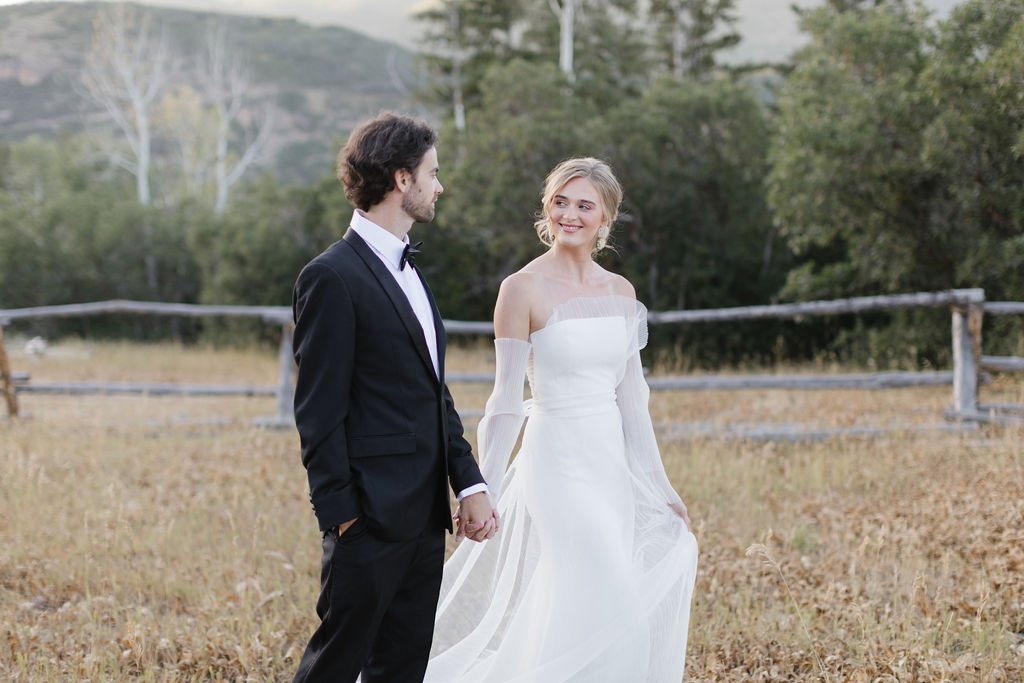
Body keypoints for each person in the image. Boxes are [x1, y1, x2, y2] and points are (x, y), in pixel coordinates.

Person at [425, 157, 699, 682]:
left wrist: (661, 486)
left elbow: (633, 400)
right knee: (617, 602)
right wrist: (485, 487)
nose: (569, 214)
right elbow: (505, 400)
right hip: (557, 462)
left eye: (584, 205)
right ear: (547, 209)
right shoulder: (521, 289)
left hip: (609, 467)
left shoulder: (621, 293)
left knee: (579, 600)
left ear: (605, 218)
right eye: (559, 201)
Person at [290, 112, 498, 683]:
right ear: (402, 180)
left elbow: (435, 394)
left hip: (426, 517)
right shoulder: (330, 277)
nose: (440, 185)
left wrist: (469, 483)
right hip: (368, 521)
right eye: (433, 172)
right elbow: (317, 412)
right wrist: (342, 519)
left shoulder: (411, 271)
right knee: (334, 665)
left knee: (401, 669)